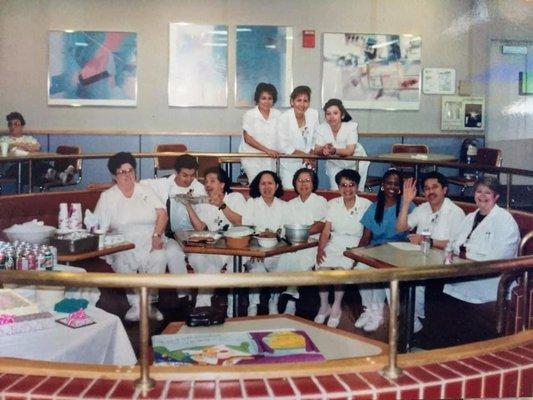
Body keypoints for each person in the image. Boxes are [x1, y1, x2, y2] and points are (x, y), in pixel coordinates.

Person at [436, 176, 520, 345]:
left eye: (487, 192)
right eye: (478, 191)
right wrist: (455, 254)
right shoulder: (470, 217)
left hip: (491, 282)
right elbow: (453, 244)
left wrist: (465, 253)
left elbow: (498, 258)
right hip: (464, 277)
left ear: (496, 196)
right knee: (435, 290)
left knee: (442, 294)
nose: (482, 196)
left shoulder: (505, 221)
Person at [94, 152, 168, 322]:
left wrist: (157, 236)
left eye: (131, 171)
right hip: (123, 243)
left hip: (150, 238)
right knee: (123, 257)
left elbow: (162, 214)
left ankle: (149, 303)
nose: (128, 175)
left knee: (159, 255)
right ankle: (136, 304)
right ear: (114, 175)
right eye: (123, 172)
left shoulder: (146, 190)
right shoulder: (107, 197)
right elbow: (97, 226)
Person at [395, 172, 465, 332]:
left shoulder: (455, 212)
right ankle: (410, 319)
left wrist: (426, 240)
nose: (430, 192)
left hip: (443, 262)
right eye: (426, 188)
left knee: (413, 279)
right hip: (419, 259)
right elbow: (400, 228)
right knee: (391, 276)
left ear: (445, 190)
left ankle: (415, 320)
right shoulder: (423, 209)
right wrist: (406, 203)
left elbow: (456, 245)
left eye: (435, 187)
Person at [141, 154, 206, 301]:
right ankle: (184, 296)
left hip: (193, 236)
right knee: (172, 253)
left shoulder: (199, 188)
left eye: (192, 175)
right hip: (171, 236)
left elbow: (202, 224)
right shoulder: (163, 184)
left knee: (199, 259)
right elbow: (137, 185)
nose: (188, 179)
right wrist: (104, 186)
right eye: (184, 175)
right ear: (176, 172)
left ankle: (202, 299)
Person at [356, 168, 413, 332]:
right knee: (361, 271)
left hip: (399, 251)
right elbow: (366, 237)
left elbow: (412, 234)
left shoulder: (407, 205)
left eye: (396, 184)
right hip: (375, 250)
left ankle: (378, 314)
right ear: (382, 185)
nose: (392, 187)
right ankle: (369, 310)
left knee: (382, 274)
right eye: (389, 183)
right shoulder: (374, 207)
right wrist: (357, 257)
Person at [182, 166, 247, 314]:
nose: (207, 185)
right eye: (206, 182)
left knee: (233, 269)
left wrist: (221, 205)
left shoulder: (235, 198)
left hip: (237, 247)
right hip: (215, 248)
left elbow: (241, 222)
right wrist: (188, 206)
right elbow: (201, 228)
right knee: (209, 267)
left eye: (212, 181)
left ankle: (232, 309)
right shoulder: (204, 203)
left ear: (222, 185)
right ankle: (201, 308)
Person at [314, 169, 372, 328]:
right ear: (338, 188)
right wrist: (320, 250)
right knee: (322, 270)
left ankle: (336, 306)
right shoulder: (333, 204)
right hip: (335, 242)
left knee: (339, 270)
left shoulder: (366, 205)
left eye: (351, 185)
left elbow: (367, 234)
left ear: (357, 186)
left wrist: (357, 254)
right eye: (343, 185)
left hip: (354, 244)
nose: (347, 189)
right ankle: (324, 305)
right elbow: (326, 231)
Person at [277, 168, 327, 314]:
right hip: (293, 242)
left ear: (313, 184)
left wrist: (301, 234)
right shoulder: (290, 204)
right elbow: (285, 227)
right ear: (294, 183)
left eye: (307, 180)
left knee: (301, 258)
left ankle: (292, 293)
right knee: (285, 257)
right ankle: (290, 293)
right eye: (300, 180)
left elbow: (321, 224)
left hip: (313, 242)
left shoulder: (320, 201)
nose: (303, 184)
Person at [242, 170, 288, 316]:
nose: (267, 187)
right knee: (258, 270)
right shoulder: (252, 203)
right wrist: (256, 250)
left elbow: (285, 233)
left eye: (270, 183)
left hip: (277, 251)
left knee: (282, 268)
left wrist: (275, 237)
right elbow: (247, 229)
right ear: (258, 186)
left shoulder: (284, 205)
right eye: (263, 183)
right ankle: (253, 305)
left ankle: (273, 302)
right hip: (255, 251)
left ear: (277, 185)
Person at [2, 112, 65, 186]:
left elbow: (37, 148)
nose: (12, 127)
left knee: (37, 166)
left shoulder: (29, 138)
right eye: (10, 124)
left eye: (16, 124)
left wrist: (17, 146)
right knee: (30, 169)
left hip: (30, 165)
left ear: (22, 126)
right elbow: (2, 148)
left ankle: (58, 175)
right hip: (11, 168)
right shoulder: (4, 139)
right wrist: (22, 145)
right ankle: (57, 175)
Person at [277, 86, 320, 188]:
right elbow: (283, 145)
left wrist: (312, 153)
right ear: (292, 102)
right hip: (289, 164)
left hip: (308, 164)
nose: (302, 104)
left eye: (305, 101)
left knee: (307, 194)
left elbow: (317, 136)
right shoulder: (284, 118)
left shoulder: (313, 114)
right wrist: (304, 156)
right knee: (290, 194)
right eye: (298, 100)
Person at [238, 83, 281, 183]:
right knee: (256, 186)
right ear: (258, 99)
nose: (266, 101)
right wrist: (267, 150)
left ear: (273, 100)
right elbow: (247, 139)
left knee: (270, 186)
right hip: (253, 159)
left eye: (270, 98)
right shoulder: (250, 115)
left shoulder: (278, 114)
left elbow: (282, 135)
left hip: (271, 159)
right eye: (263, 98)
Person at [314, 99, 359, 190]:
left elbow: (349, 151)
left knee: (354, 191)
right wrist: (323, 150)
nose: (331, 117)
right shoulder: (321, 128)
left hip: (355, 162)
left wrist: (334, 150)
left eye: (335, 113)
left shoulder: (351, 127)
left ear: (342, 115)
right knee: (335, 191)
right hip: (335, 163)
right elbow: (316, 149)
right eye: (328, 113)